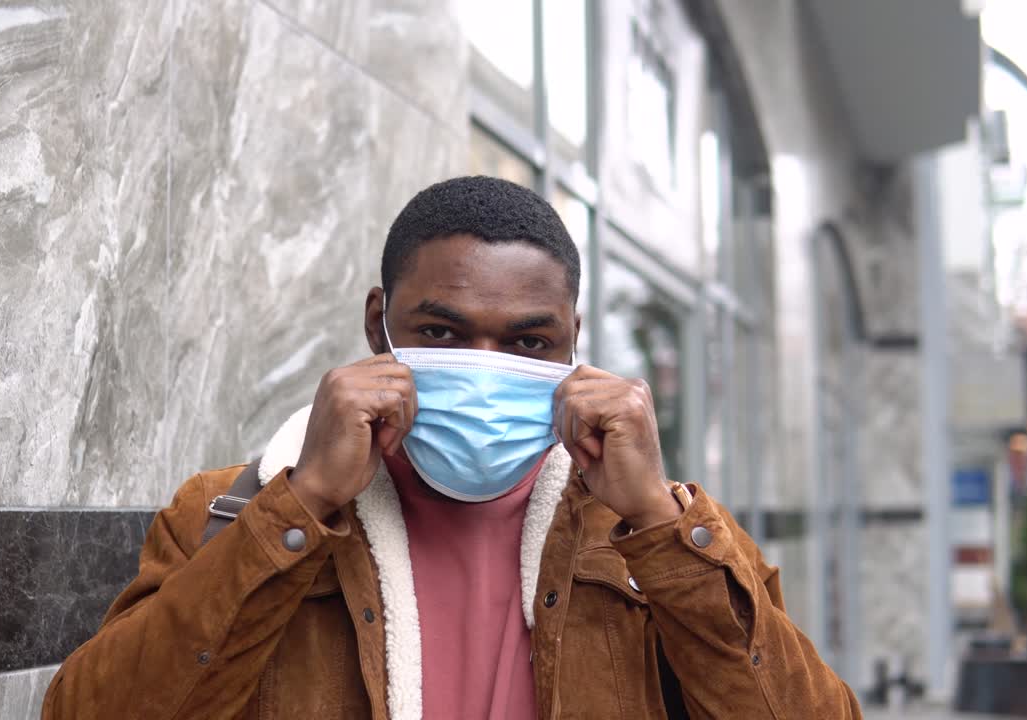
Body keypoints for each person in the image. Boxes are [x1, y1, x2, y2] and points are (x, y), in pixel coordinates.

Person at [42, 176, 861, 719]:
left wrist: (654, 516)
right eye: (441, 332)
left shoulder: (652, 537)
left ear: (576, 344)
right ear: (379, 327)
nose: (485, 367)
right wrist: (302, 504)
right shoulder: (234, 510)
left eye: (529, 342)